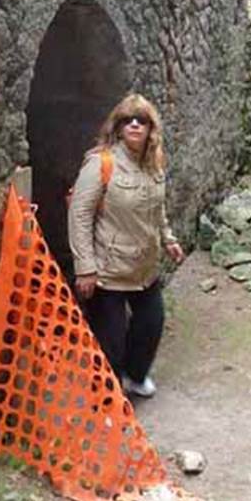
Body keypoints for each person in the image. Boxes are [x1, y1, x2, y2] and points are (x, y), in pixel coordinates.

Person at [68, 92, 184, 397]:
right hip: (108, 270)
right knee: (110, 342)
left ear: (150, 130)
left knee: (151, 324)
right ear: (118, 127)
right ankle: (106, 396)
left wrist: (168, 238)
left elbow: (157, 209)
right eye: (128, 120)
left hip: (144, 267)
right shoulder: (101, 163)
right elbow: (79, 215)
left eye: (142, 121)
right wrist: (85, 269)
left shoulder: (153, 166)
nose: (135, 125)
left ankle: (135, 376)